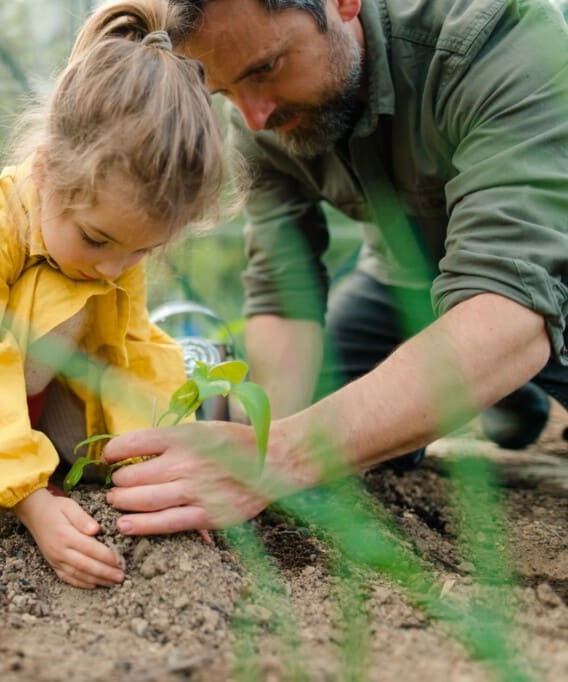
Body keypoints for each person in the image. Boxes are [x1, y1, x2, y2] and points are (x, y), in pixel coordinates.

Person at [100, 0, 568, 535]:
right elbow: (284, 290)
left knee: (500, 345)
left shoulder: (496, 35)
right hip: (404, 276)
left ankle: (510, 380)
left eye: (265, 68)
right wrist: (263, 450)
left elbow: (510, 304)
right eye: (226, 91)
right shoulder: (259, 118)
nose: (253, 117)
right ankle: (507, 391)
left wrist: (286, 456)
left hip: (548, 271)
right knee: (330, 418)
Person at [0, 0, 224, 588]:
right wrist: (30, 502)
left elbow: (128, 356)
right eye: (96, 238)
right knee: (43, 304)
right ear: (44, 171)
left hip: (42, 383)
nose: (114, 267)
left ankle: (48, 454)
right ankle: (17, 467)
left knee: (116, 350)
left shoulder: (110, 253)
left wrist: (152, 469)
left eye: (140, 251)